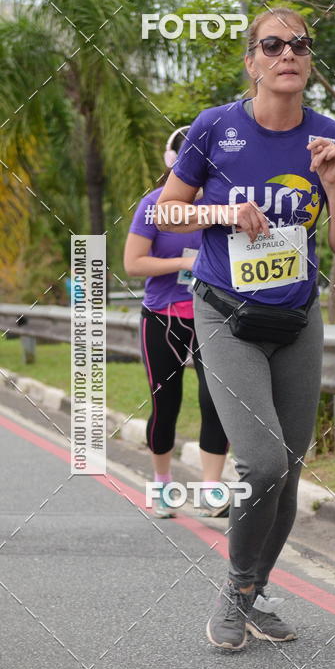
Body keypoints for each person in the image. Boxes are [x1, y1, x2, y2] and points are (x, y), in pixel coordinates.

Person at [155, 7, 335, 648]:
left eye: (299, 45)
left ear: (309, 61)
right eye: (272, 45)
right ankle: (237, 589)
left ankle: (248, 593)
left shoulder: (329, 137)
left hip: (297, 319)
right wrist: (222, 211)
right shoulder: (215, 129)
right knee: (264, 461)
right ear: (251, 60)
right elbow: (166, 210)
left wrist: (332, 185)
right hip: (225, 314)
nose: (287, 54)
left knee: (289, 473)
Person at [124, 127, 230, 519]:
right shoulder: (154, 205)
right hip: (163, 317)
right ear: (174, 163)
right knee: (165, 405)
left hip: (214, 315)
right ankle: (163, 483)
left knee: (216, 401)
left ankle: (211, 488)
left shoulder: (223, 206)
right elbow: (134, 263)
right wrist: (185, 263)